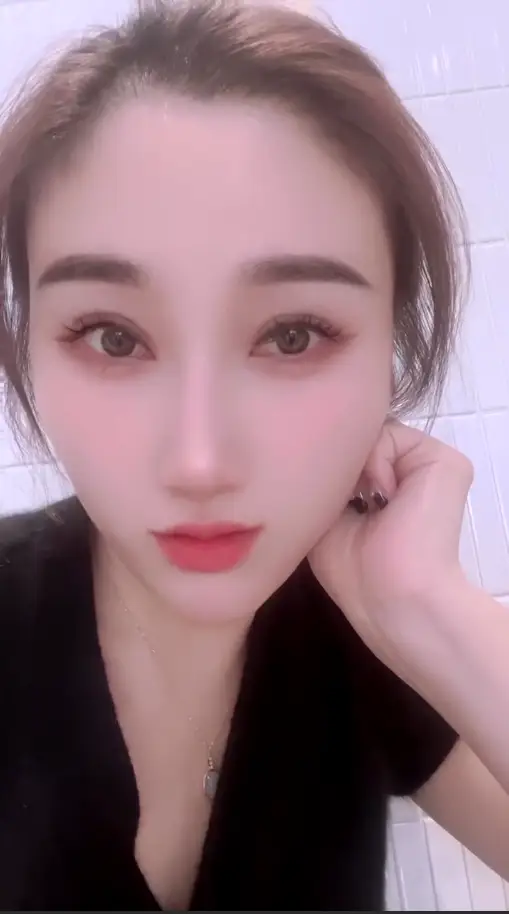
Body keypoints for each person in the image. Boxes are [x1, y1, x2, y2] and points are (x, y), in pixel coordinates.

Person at [0, 0, 507, 909]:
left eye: (292, 334)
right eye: (113, 337)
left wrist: (433, 612)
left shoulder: (363, 638)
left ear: (388, 354)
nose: (198, 461)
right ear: (27, 344)